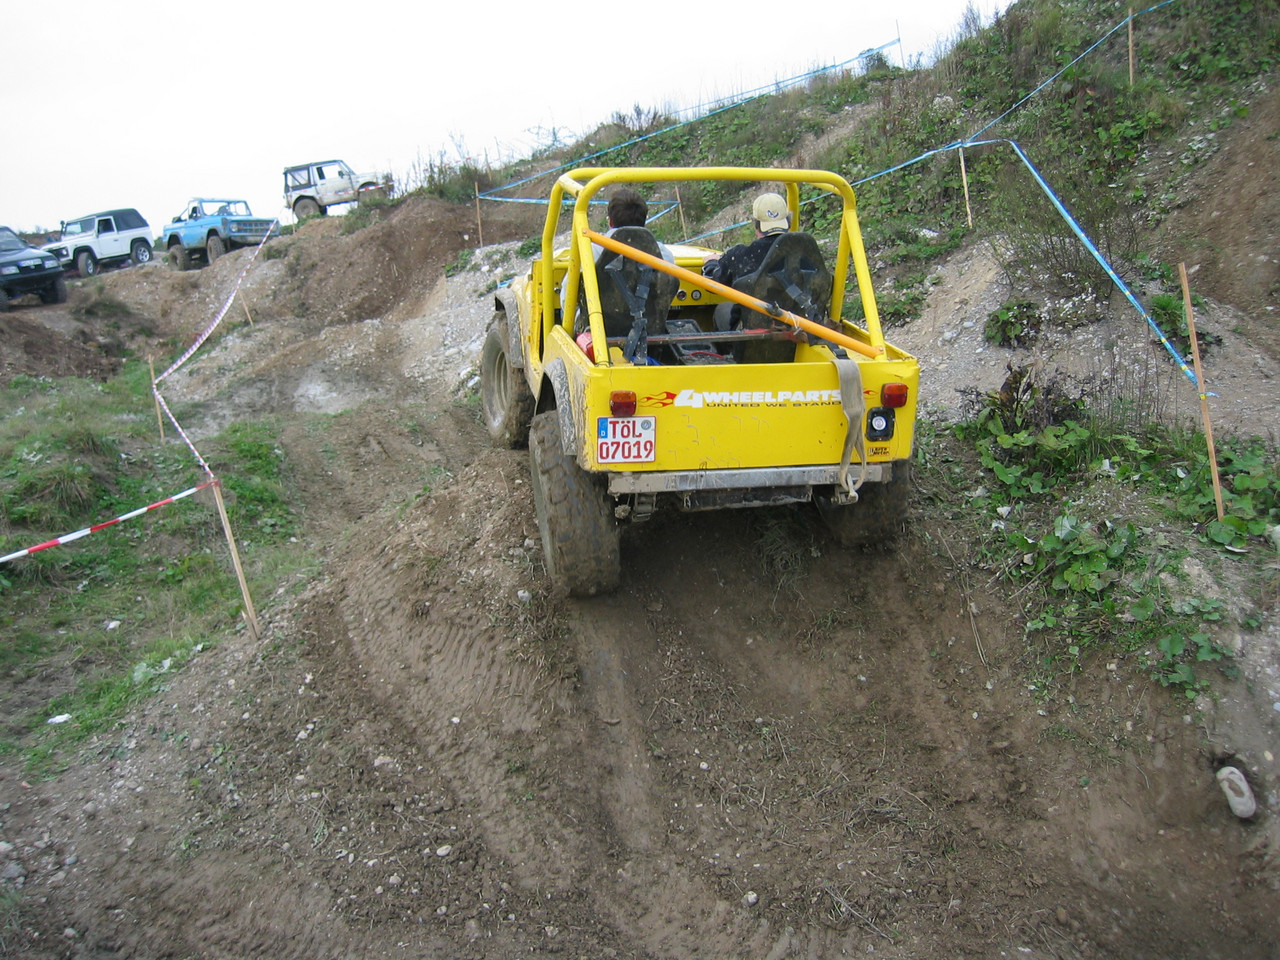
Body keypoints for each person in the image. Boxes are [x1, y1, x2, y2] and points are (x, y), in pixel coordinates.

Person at [701, 192, 791, 286]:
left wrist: (711, 264)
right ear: (788, 222)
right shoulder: (799, 251)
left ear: (756, 224)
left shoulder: (738, 256)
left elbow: (712, 283)